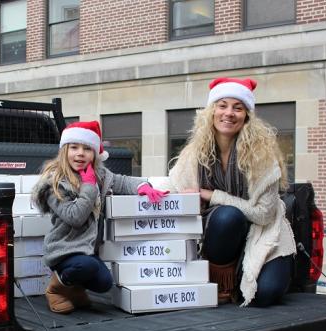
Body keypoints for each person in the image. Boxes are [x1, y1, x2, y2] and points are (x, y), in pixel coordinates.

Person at [168, 77, 296, 307]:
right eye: (222, 105)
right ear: (212, 111)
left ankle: (246, 277)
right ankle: (222, 281)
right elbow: (175, 187)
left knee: (265, 294)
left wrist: (212, 195)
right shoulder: (195, 152)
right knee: (228, 216)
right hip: (218, 233)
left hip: (262, 231)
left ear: (247, 115)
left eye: (238, 107)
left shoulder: (261, 155)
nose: (229, 113)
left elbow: (264, 215)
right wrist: (147, 190)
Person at [32, 120, 168, 314]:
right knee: (84, 266)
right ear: (64, 151)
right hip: (63, 250)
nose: (80, 153)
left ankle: (75, 289)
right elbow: (75, 216)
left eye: (87, 148)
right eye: (74, 147)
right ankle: (56, 288)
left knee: (104, 283)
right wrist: (88, 187)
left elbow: (122, 181)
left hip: (87, 251)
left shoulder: (100, 174)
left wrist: (143, 187)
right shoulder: (54, 183)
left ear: (94, 153)